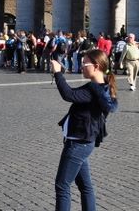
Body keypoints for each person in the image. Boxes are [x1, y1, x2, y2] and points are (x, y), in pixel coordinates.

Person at [50, 49, 117, 211]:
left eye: (84, 63)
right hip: (84, 142)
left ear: (95, 66)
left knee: (62, 185)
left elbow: (68, 95)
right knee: (85, 186)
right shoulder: (101, 88)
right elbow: (73, 94)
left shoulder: (93, 89)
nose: (81, 66)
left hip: (78, 143)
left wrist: (58, 73)